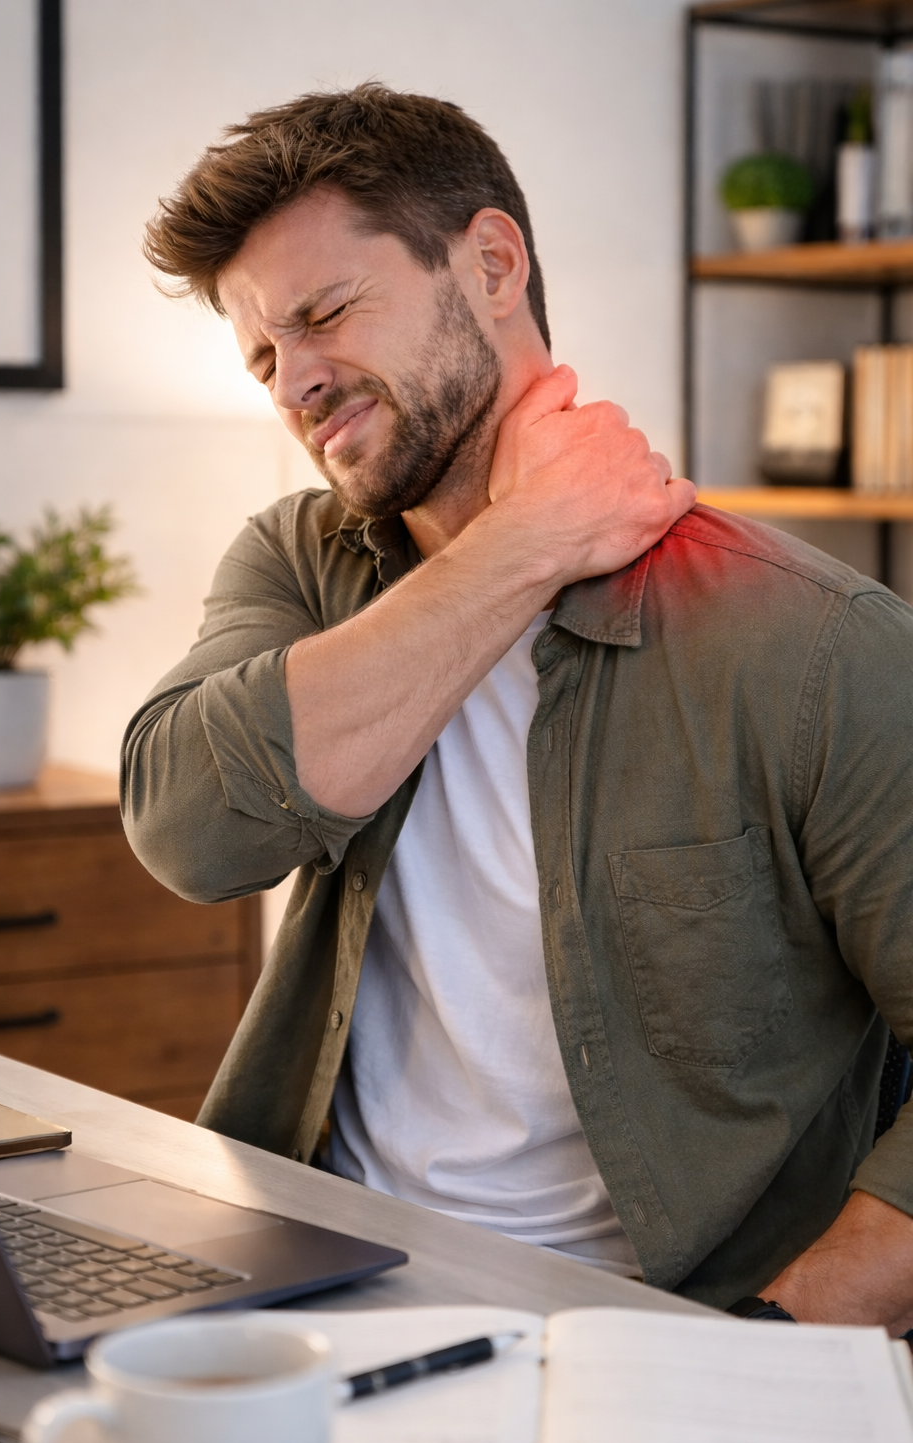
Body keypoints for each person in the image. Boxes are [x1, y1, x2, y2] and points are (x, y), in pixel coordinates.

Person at [123, 85, 913, 1324]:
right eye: (265, 357)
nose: (297, 382)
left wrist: (772, 1345)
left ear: (490, 263)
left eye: (325, 314)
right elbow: (191, 838)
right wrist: (526, 544)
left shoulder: (815, 646)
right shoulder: (298, 562)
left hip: (651, 1330)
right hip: (323, 1275)